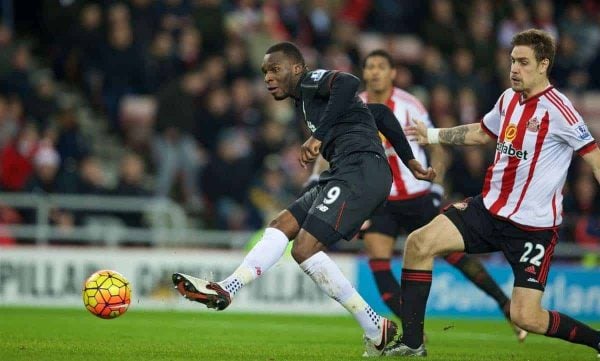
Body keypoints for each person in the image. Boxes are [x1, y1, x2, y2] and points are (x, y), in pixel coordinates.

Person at [172, 41, 435, 356]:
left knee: (305, 248)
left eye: (275, 69)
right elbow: (380, 114)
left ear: (297, 68)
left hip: (361, 171)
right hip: (344, 172)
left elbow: (349, 82)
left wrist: (319, 135)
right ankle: (229, 288)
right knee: (282, 224)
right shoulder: (306, 101)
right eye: (265, 72)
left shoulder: (311, 82)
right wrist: (411, 162)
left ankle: (373, 325)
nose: (268, 77)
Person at [387, 29, 600, 357]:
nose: (514, 68)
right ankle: (413, 344)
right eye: (513, 60)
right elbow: (481, 133)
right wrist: (430, 135)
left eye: (523, 62)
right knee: (418, 244)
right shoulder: (507, 99)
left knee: (526, 316)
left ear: (543, 65)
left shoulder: (560, 110)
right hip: (488, 211)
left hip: (533, 229)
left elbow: (595, 158)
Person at [358, 49, 526, 341]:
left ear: (392, 73)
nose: (374, 72)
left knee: (454, 256)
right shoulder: (355, 107)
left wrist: (437, 182)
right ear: (364, 73)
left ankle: (505, 304)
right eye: (369, 66)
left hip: (417, 196)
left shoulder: (409, 106)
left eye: (381, 66)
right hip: (380, 201)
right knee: (379, 265)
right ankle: (414, 334)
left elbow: (435, 147)